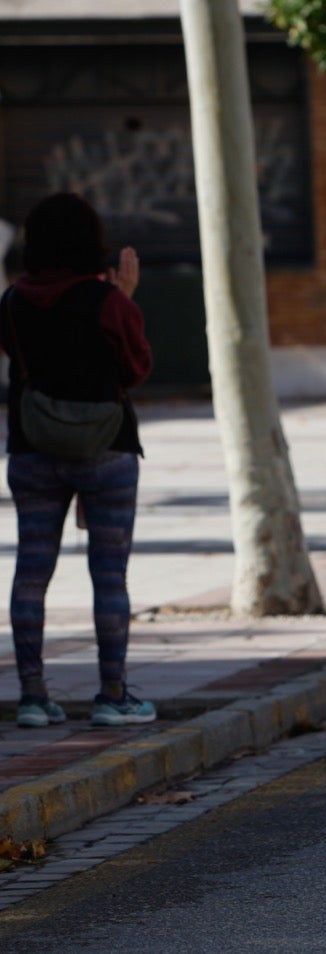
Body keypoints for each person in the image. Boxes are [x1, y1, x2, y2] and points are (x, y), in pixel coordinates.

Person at [3, 193, 155, 728]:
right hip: (107, 452)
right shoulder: (108, 301)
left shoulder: (13, 300)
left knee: (30, 573)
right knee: (109, 577)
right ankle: (113, 695)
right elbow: (134, 369)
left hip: (32, 450)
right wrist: (127, 297)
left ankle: (32, 697)